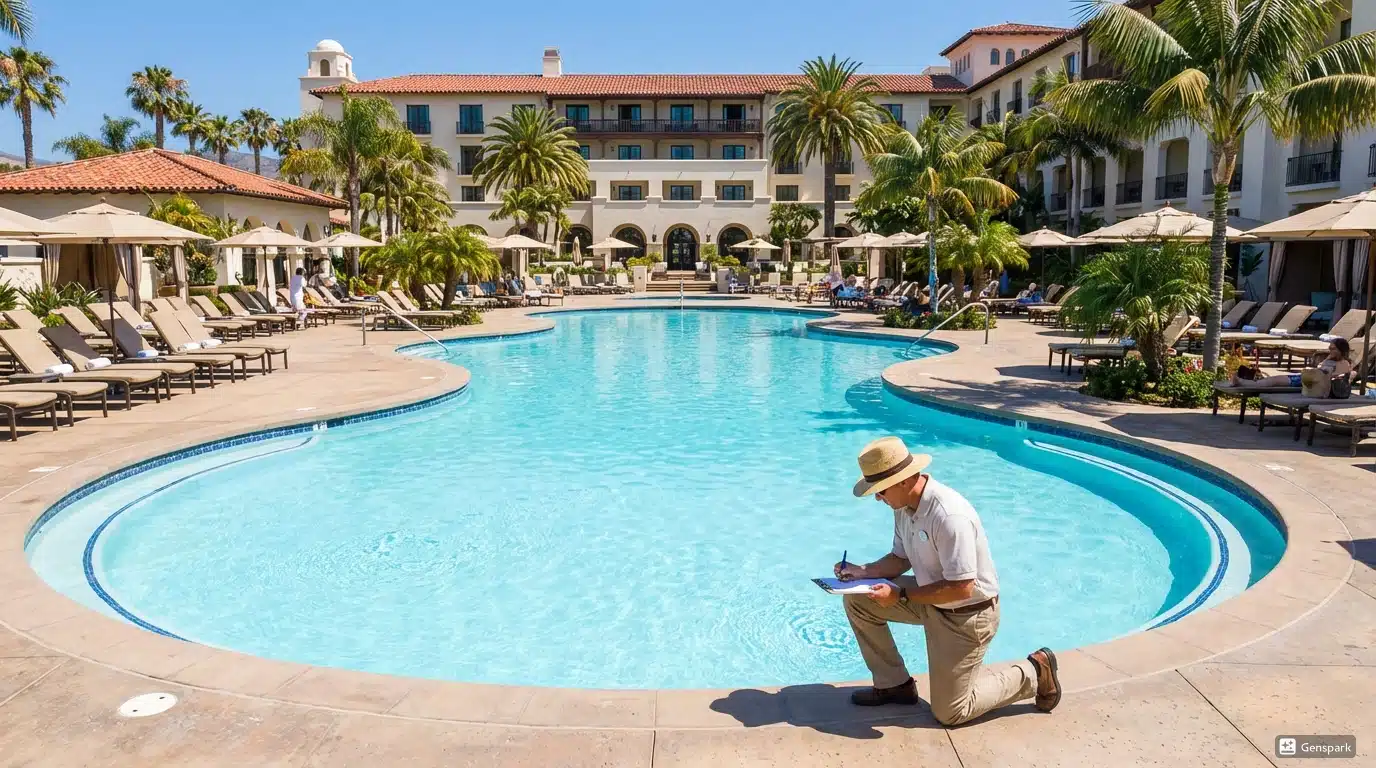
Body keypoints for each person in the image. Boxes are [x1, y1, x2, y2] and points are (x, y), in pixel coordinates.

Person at [835, 436, 1060, 726]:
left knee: (951, 713)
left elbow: (961, 587)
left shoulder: (950, 516)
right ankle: (894, 685)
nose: (878, 497)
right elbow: (900, 558)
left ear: (904, 480)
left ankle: (1033, 672)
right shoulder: (903, 507)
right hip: (931, 598)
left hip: (967, 614)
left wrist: (900, 596)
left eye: (880, 490)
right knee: (857, 599)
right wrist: (862, 572)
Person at [1231, 338, 1352, 391]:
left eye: (1333, 349)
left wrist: (1324, 363)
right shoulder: (1332, 360)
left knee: (1273, 381)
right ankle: (1249, 379)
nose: (1330, 351)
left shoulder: (1344, 364)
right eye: (1329, 348)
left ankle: (1243, 382)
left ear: (1341, 350)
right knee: (1272, 380)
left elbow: (1327, 375)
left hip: (1307, 383)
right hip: (1305, 378)